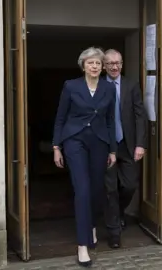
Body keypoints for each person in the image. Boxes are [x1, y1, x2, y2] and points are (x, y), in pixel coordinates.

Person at [52, 47, 117, 267]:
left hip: (99, 142)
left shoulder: (109, 88)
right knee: (82, 190)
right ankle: (82, 245)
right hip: (74, 140)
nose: (95, 66)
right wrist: (56, 147)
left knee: (97, 190)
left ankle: (91, 227)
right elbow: (60, 118)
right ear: (83, 65)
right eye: (91, 63)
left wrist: (112, 150)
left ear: (102, 66)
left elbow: (110, 120)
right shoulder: (71, 86)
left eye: (98, 63)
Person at [103, 49, 147, 248]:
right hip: (106, 146)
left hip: (128, 144)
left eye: (117, 63)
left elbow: (140, 115)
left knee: (129, 185)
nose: (114, 66)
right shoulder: (98, 85)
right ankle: (114, 229)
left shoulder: (131, 85)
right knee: (109, 189)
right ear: (104, 65)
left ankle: (119, 212)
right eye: (110, 63)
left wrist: (140, 144)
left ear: (122, 64)